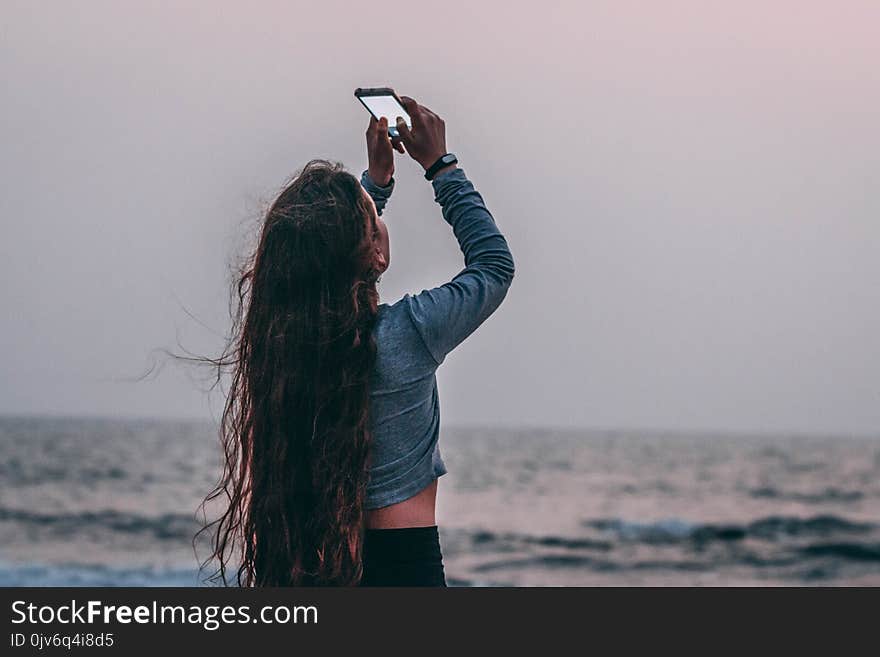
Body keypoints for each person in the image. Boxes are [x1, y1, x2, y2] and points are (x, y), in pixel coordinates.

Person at [202, 96, 515, 586]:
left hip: (318, 569)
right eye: (374, 216)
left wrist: (377, 183)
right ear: (375, 252)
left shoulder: (288, 349)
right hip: (409, 573)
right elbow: (494, 266)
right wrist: (441, 166)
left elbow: (329, 267)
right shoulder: (409, 333)